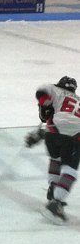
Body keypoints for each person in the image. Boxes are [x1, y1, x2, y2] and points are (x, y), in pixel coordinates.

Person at [32, 76, 79, 224]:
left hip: (52, 132)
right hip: (74, 134)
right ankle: (56, 204)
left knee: (56, 159)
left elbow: (41, 91)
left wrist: (45, 105)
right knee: (70, 170)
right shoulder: (77, 99)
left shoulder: (54, 89)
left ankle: (53, 187)